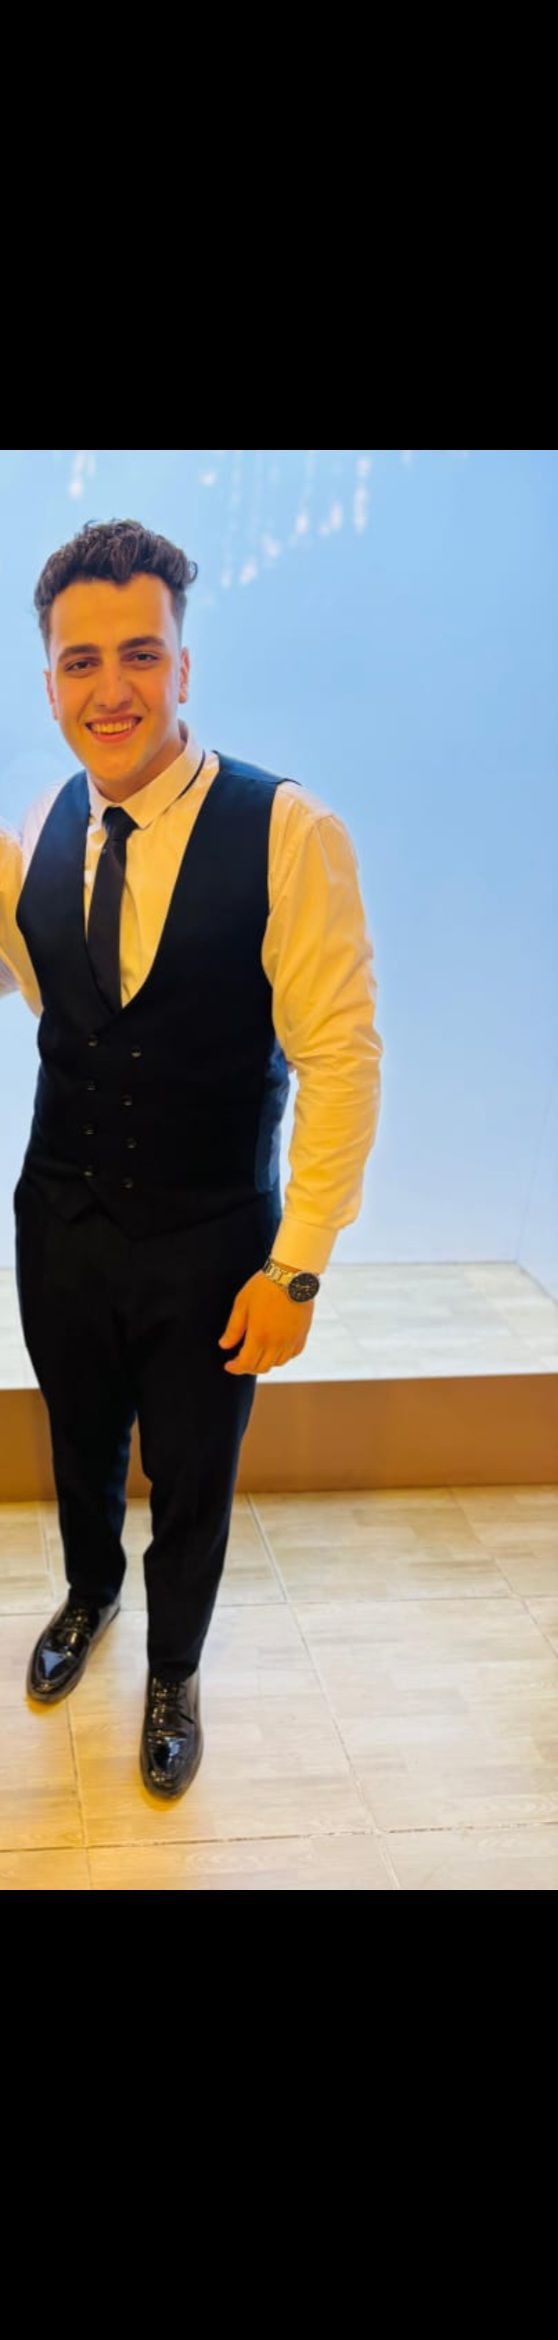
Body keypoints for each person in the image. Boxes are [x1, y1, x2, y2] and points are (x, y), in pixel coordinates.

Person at [0, 517, 383, 1800]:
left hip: (212, 1237)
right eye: (81, 661)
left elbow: (342, 1060)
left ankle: (174, 1670)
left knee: (194, 1475)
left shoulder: (287, 831)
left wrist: (299, 1266)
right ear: (49, 680)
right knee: (79, 1443)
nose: (111, 689)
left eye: (140, 654)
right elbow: (53, 986)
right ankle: (89, 1595)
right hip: (59, 1217)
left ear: (183, 666)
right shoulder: (46, 822)